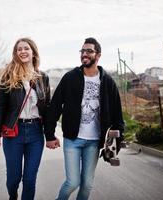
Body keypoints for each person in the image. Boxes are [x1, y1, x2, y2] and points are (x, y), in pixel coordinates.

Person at [45, 37, 124, 200]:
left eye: (89, 51)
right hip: (73, 140)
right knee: (72, 182)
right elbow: (54, 106)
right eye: (83, 51)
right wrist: (50, 135)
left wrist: (118, 138)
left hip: (94, 141)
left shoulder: (107, 81)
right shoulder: (70, 78)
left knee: (87, 184)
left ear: (98, 55)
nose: (85, 54)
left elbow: (117, 112)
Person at [0, 38, 51, 200]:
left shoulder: (43, 77)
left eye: (26, 48)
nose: (22, 51)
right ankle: (13, 195)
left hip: (36, 133)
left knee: (30, 179)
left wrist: (50, 135)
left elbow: (47, 108)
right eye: (19, 49)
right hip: (14, 132)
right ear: (16, 54)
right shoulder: (9, 76)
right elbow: (0, 106)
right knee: (13, 179)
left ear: (33, 52)